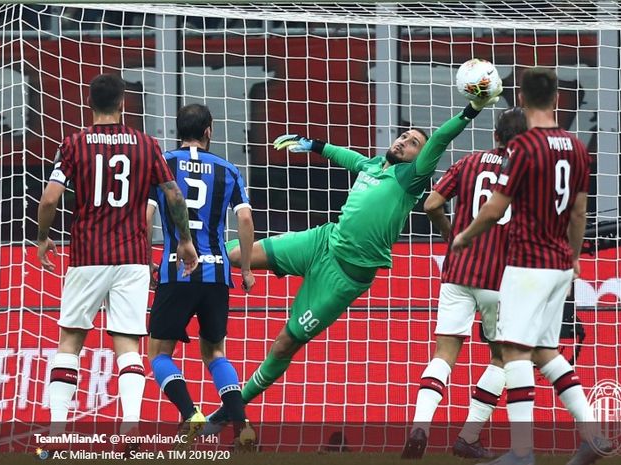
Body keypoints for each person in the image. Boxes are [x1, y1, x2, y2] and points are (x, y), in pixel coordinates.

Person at [204, 81, 503, 430]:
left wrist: (471, 110)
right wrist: (314, 144)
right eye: (404, 137)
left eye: (412, 143)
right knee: (237, 254)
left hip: (344, 279)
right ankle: (192, 257)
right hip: (322, 242)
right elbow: (350, 158)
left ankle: (230, 410)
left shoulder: (412, 178)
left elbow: (439, 140)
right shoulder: (375, 165)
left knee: (285, 344)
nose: (404, 142)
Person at [452, 68, 610, 465]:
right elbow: (578, 213)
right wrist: (573, 259)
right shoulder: (576, 147)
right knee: (545, 351)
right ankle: (592, 435)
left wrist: (465, 236)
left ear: (520, 98)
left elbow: (495, 207)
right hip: (559, 265)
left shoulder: (524, 147)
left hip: (527, 264)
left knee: (514, 352)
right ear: (557, 99)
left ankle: (522, 452)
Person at [36, 73, 198, 435]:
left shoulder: (74, 144)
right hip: (132, 256)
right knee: (128, 343)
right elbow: (173, 195)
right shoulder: (147, 144)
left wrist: (43, 237)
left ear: (89, 102)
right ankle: (130, 426)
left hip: (87, 254)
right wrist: (185, 240)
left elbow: (49, 198)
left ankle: (58, 431)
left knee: (71, 340)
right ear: (124, 102)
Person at [401, 108, 528, 460]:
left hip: (457, 272)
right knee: (503, 357)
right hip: (499, 278)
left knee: (444, 353)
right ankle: (468, 436)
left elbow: (431, 203)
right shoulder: (527, 174)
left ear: (496, 136)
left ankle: (421, 426)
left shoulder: (469, 162)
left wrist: (449, 232)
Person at [146, 104, 256, 450]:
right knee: (215, 352)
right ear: (209, 130)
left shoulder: (163, 163)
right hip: (216, 273)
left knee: (159, 353)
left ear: (178, 129)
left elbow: (145, 216)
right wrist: (248, 267)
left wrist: (148, 259)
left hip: (176, 270)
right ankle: (243, 428)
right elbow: (246, 220)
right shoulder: (227, 169)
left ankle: (190, 414)